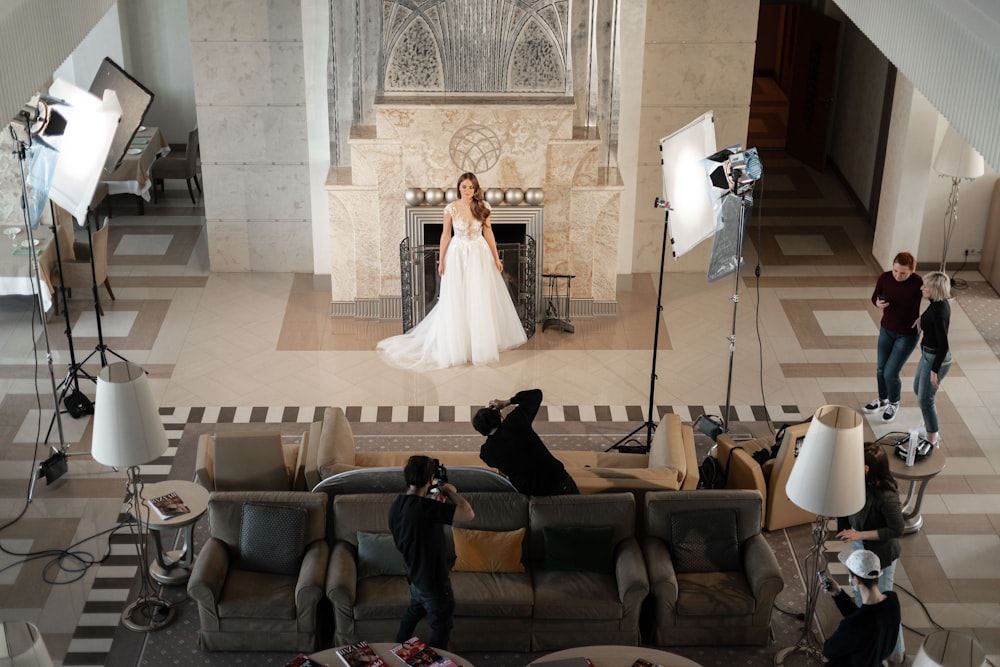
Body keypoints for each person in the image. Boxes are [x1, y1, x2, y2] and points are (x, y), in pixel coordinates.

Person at [377, 172, 528, 370]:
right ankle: (457, 345)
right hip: (457, 255)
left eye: (471, 187)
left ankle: (478, 345)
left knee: (479, 297)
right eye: (464, 186)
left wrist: (495, 257)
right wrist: (441, 261)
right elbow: (445, 235)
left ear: (475, 189)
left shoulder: (483, 207)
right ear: (459, 188)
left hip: (478, 254)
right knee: (457, 297)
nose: (467, 190)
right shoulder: (451, 209)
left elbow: (489, 233)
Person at [388, 455, 474, 650]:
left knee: (411, 616)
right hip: (434, 583)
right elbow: (468, 513)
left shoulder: (397, 506)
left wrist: (437, 504)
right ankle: (434, 662)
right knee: (440, 631)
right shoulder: (426, 509)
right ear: (430, 480)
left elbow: (420, 525)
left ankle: (395, 651)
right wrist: (450, 492)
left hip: (415, 579)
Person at [836, 443, 905, 663]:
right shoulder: (857, 483)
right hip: (860, 544)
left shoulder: (886, 495)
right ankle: (865, 637)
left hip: (880, 554)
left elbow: (897, 529)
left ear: (866, 469)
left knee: (882, 605)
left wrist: (859, 535)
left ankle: (896, 653)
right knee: (860, 595)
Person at [473, 388, 579, 495]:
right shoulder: (515, 422)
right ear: (499, 416)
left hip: (534, 495)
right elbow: (535, 394)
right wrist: (506, 403)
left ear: (482, 432)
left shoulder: (486, 453)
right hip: (558, 482)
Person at [863, 252, 922, 423]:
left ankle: (894, 402)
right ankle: (882, 400)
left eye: (903, 273)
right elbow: (875, 296)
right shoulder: (885, 278)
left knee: (890, 372)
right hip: (886, 330)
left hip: (907, 335)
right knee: (881, 369)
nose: (897, 275)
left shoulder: (918, 282)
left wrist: (923, 319)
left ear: (912, 270)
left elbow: (937, 300)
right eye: (895, 270)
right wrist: (877, 303)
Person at [822, 549, 902, 667]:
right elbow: (862, 616)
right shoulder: (892, 600)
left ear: (856, 580)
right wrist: (839, 594)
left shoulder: (854, 625)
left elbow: (828, 650)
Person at [913, 271, 952, 447]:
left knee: (925, 399)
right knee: (917, 389)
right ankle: (928, 426)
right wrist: (921, 319)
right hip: (928, 355)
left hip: (936, 358)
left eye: (925, 286)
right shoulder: (937, 303)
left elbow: (943, 344)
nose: (922, 288)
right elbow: (931, 316)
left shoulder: (940, 311)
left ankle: (932, 438)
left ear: (934, 290)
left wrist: (935, 370)